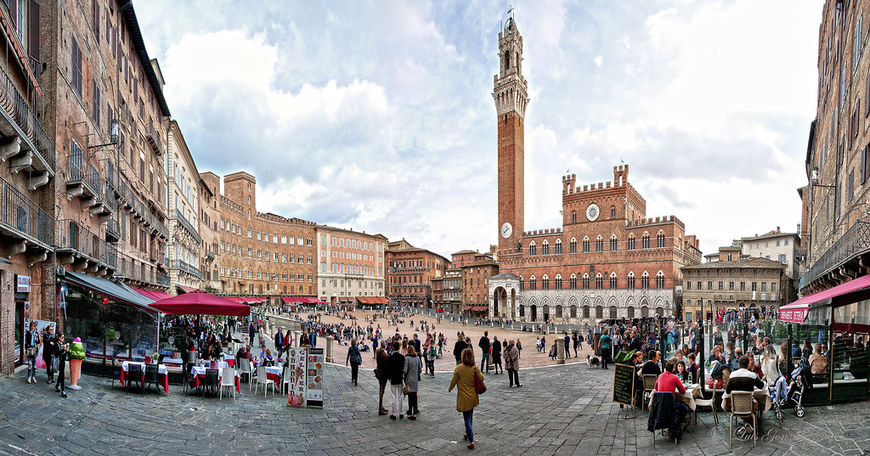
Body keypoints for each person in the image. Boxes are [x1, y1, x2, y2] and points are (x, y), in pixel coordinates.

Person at [448, 348, 484, 450]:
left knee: (467, 418)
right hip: (472, 396)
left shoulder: (459, 368)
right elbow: (482, 378)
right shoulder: (474, 368)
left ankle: (471, 440)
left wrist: (450, 388)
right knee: (470, 416)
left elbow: (454, 380)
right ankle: (468, 432)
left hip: (463, 397)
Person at [387, 342, 405, 420]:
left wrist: (389, 377)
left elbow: (388, 368)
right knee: (400, 396)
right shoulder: (402, 357)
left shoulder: (390, 357)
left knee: (393, 396)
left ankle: (394, 414)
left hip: (393, 378)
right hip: (400, 378)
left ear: (393, 348)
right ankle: (401, 413)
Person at [404, 346, 422, 420]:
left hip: (409, 379)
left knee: (410, 396)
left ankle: (410, 412)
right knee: (414, 396)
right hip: (415, 379)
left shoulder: (407, 358)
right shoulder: (417, 358)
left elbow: (405, 370)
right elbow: (420, 369)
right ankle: (414, 412)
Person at [375, 341, 389, 415]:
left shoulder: (378, 352)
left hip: (379, 372)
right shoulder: (383, 354)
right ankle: (380, 408)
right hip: (383, 374)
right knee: (382, 390)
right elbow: (388, 361)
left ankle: (381, 406)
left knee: (381, 389)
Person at [54, 333, 69, 398]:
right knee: (62, 376)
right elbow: (57, 354)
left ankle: (57, 385)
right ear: (59, 338)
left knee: (61, 375)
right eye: (62, 337)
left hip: (62, 361)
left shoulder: (62, 344)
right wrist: (64, 349)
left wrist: (66, 350)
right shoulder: (56, 344)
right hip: (59, 362)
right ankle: (63, 390)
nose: (63, 339)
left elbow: (64, 354)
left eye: (63, 337)